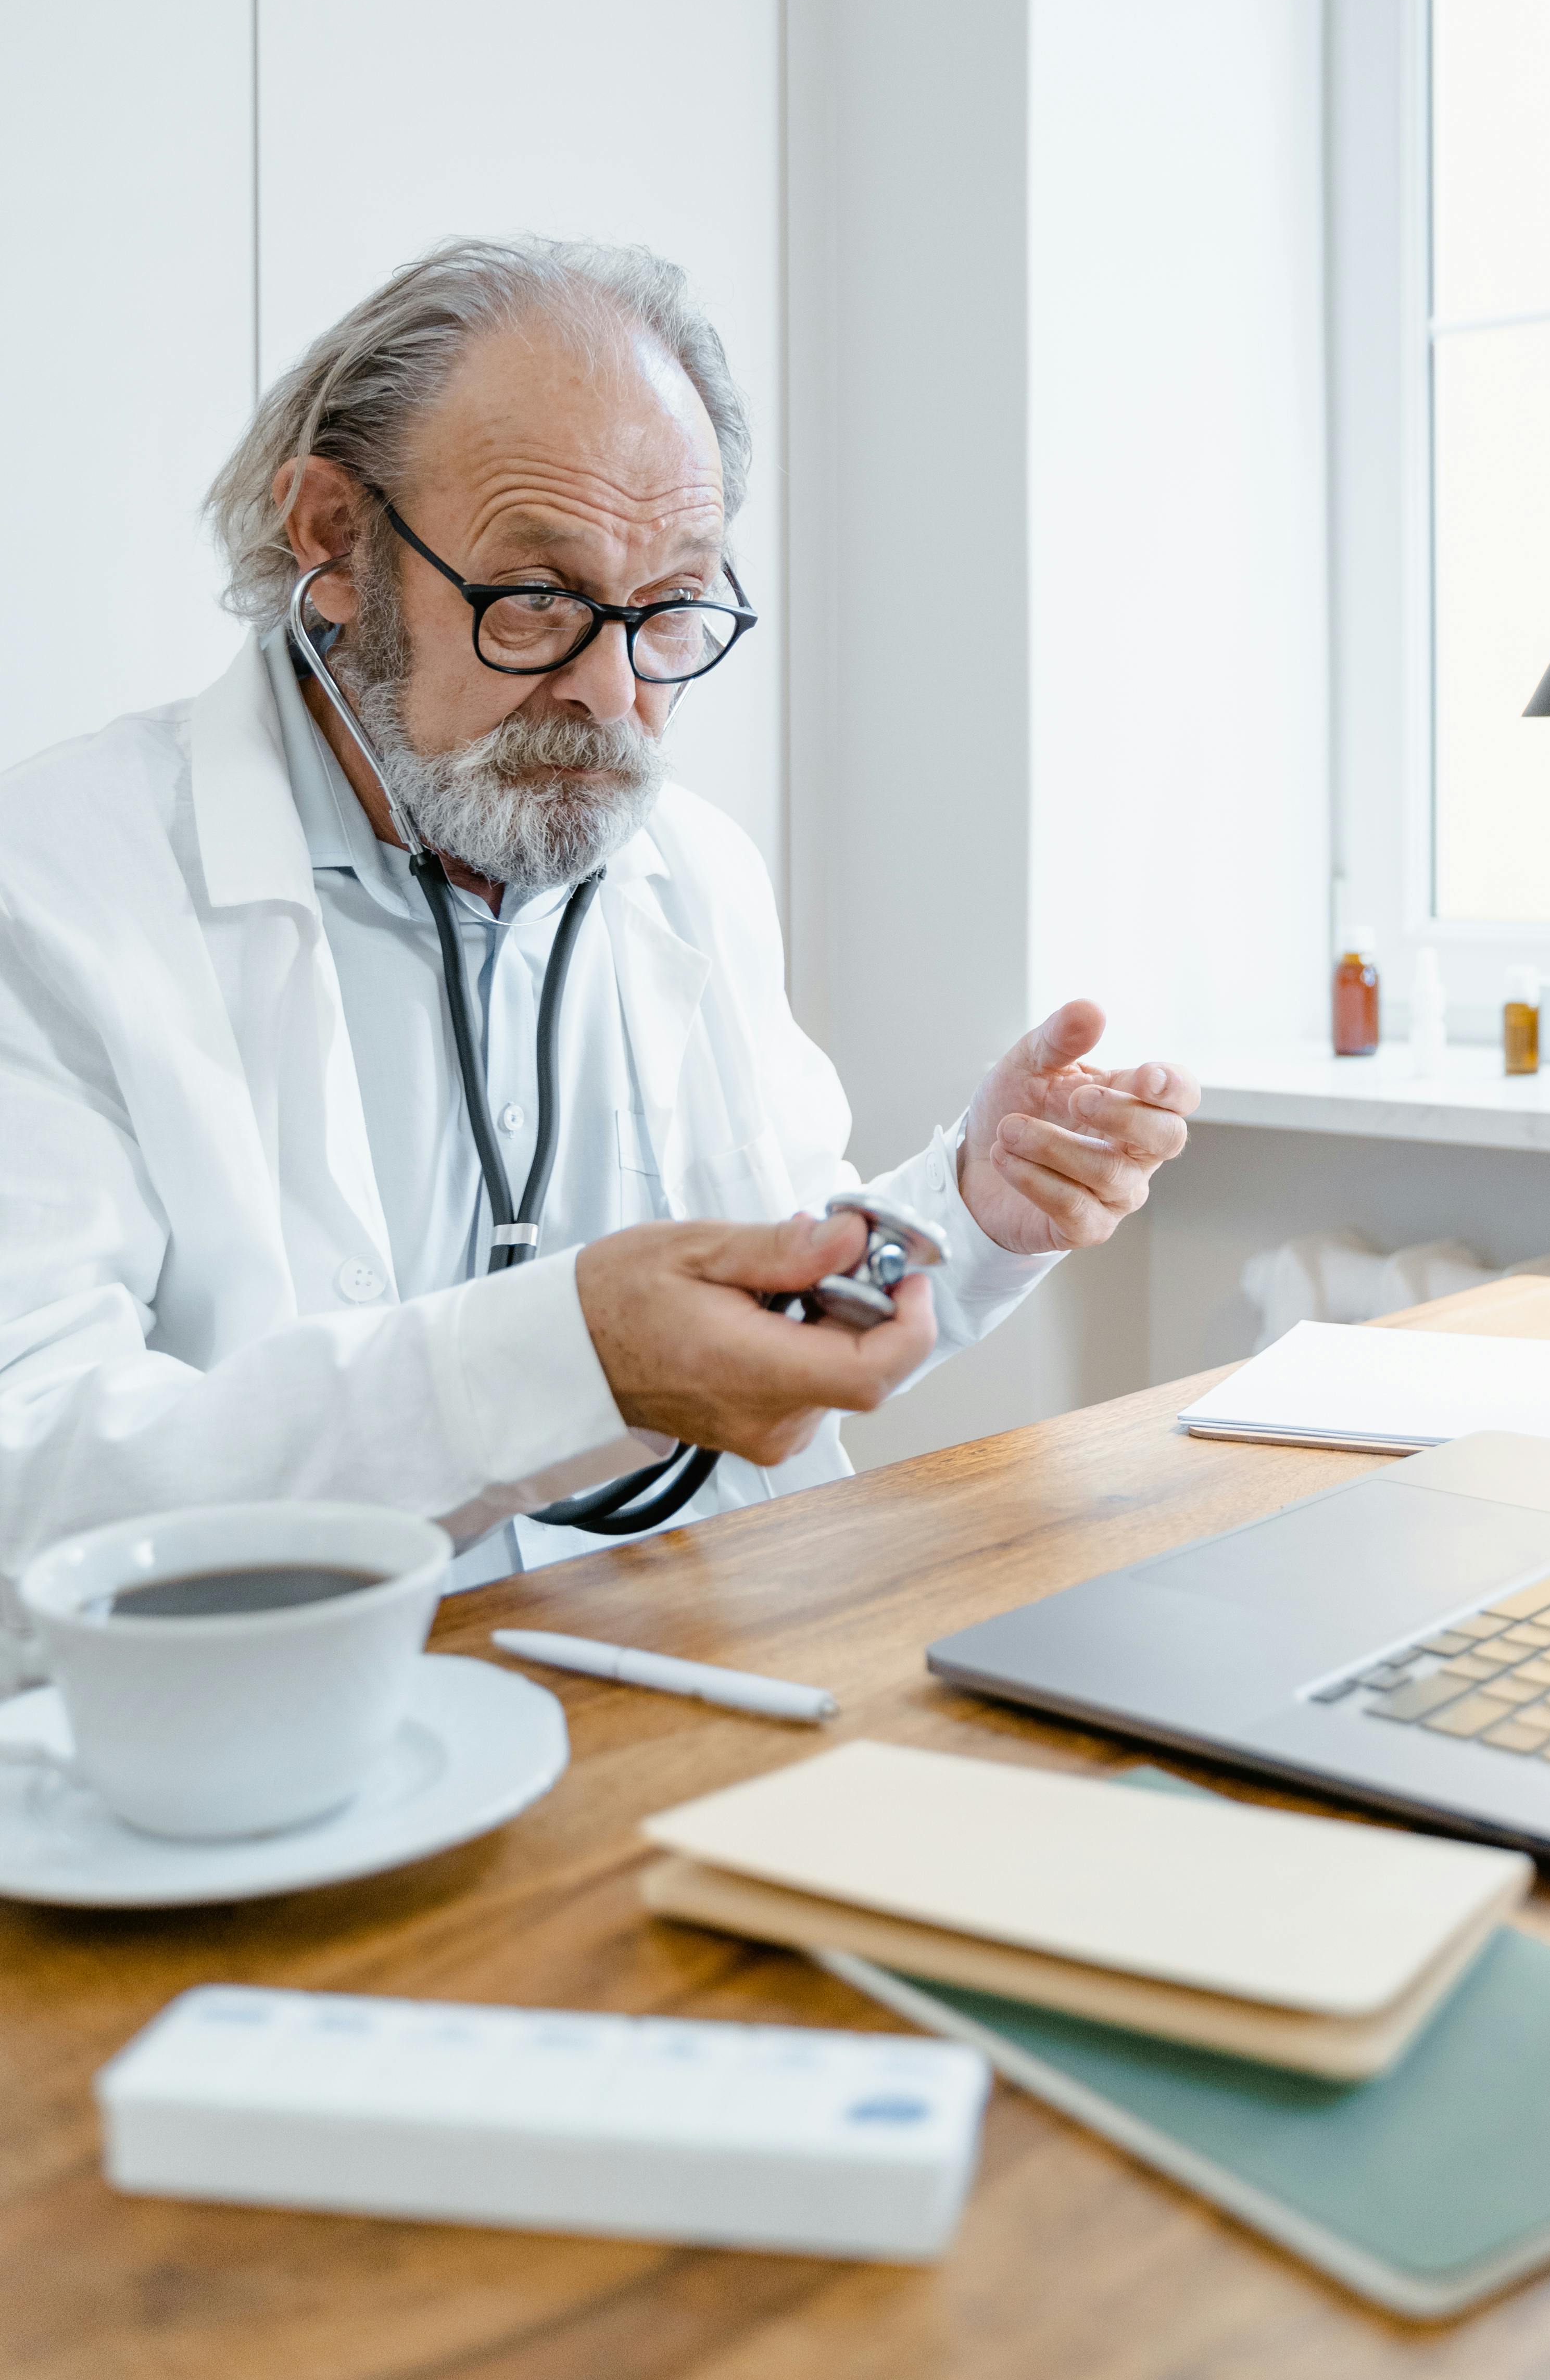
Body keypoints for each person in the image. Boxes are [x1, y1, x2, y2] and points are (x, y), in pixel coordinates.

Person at [0, 238, 1194, 1676]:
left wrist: (964, 1206)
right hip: (263, 1755)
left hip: (686, 1685)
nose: (611, 693)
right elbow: (37, 1483)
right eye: (540, 601)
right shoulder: (58, 882)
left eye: (670, 606)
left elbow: (762, 1308)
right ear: (330, 538)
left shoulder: (693, 870)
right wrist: (562, 1356)